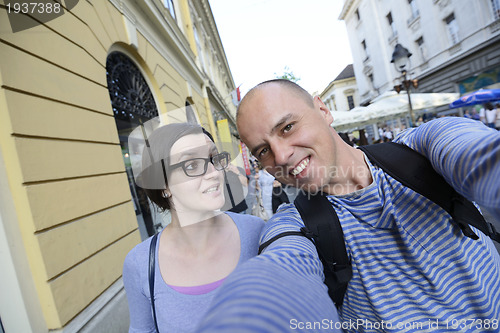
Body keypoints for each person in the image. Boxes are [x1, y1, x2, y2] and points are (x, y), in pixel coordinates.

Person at [197, 79, 500, 332]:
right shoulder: (293, 223)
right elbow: (278, 271)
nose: (280, 157)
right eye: (263, 150)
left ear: (322, 109)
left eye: (287, 127)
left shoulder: (424, 146)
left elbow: (481, 158)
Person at [122, 123, 264, 333]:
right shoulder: (140, 263)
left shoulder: (257, 233)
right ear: (164, 185)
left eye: (214, 158)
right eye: (191, 165)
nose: (214, 173)